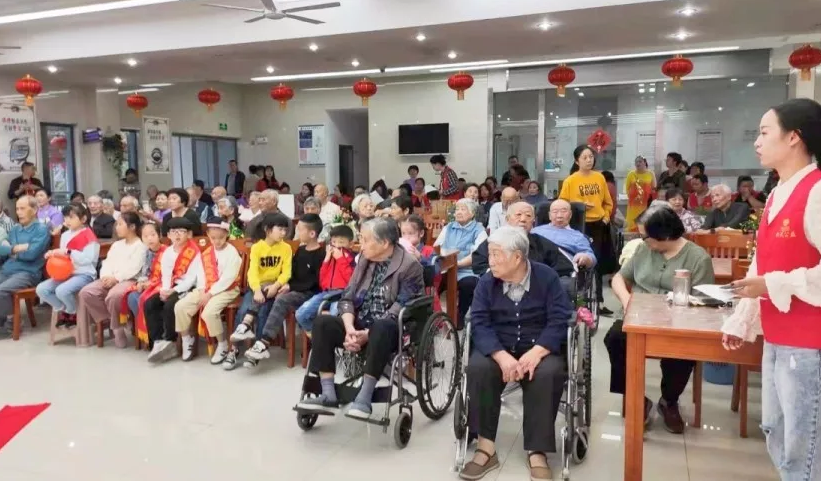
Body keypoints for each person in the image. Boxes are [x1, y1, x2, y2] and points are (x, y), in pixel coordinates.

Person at [720, 98, 821, 480]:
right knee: (776, 431)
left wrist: (773, 284)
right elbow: (763, 265)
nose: (757, 142)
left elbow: (772, 277)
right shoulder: (778, 193)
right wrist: (742, 318)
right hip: (777, 335)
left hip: (809, 341)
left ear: (794, 137)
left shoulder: (816, 191)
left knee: (803, 446)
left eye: (765, 132)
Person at [459, 226, 571, 481]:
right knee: (478, 368)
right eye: (490, 254)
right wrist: (501, 356)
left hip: (539, 345)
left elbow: (559, 319)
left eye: (496, 254)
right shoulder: (487, 281)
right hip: (499, 345)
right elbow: (479, 322)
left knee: (548, 373)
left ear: (518, 257)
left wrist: (537, 352)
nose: (490, 261)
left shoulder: (547, 277)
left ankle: (537, 451)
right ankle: (486, 448)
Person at [296, 217, 424, 418]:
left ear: (384, 243)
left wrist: (367, 334)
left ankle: (364, 397)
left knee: (382, 326)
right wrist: (349, 328)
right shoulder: (364, 259)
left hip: (392, 329)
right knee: (322, 322)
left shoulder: (409, 266)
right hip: (359, 323)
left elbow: (401, 307)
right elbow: (348, 296)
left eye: (365, 240)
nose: (360, 245)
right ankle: (328, 394)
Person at [604, 206, 714, 433]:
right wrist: (627, 300)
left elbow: (704, 300)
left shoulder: (698, 258)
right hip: (638, 317)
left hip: (677, 321)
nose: (643, 241)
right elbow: (619, 278)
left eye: (646, 236)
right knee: (614, 338)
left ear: (664, 234)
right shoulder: (643, 250)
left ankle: (669, 400)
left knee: (683, 350)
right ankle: (636, 396)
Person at [244, 214, 325, 364]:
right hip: (292, 290)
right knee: (267, 291)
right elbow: (290, 273)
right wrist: (280, 285)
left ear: (312, 234)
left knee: (281, 299)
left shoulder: (321, 254)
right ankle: (246, 325)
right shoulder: (301, 250)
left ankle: (264, 342)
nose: (297, 233)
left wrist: (290, 286)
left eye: (300, 230)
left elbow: (314, 281)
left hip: (309, 293)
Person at [226, 213, 292, 370]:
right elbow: (252, 272)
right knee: (243, 310)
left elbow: (286, 272)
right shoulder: (257, 248)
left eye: (285, 230)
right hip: (256, 288)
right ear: (268, 230)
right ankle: (233, 349)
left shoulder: (286, 248)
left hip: (274, 289)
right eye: (280, 229)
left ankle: (256, 352)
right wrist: (256, 290)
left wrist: (276, 286)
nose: (283, 233)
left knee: (263, 312)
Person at [173, 219, 242, 363]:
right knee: (180, 307)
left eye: (221, 237)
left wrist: (210, 294)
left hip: (227, 289)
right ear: (208, 235)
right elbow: (201, 275)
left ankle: (222, 344)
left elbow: (228, 278)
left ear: (227, 234)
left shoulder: (232, 253)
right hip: (206, 289)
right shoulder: (207, 253)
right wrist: (202, 291)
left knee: (209, 313)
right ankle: (187, 339)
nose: (217, 241)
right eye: (213, 238)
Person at [559, 144, 615, 314]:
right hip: (578, 225)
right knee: (580, 265)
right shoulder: (570, 181)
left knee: (596, 264)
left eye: (591, 157)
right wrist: (580, 205)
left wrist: (606, 217)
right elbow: (562, 204)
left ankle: (599, 302)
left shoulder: (599, 177)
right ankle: (580, 303)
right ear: (577, 161)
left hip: (598, 224)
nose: (589, 160)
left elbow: (608, 202)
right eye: (584, 157)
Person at [76, 212, 146, 348]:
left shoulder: (140, 246)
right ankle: (114, 323)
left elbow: (134, 268)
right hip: (110, 278)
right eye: (116, 224)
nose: (116, 228)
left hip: (129, 279)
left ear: (132, 227)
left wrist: (116, 278)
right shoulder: (116, 245)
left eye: (120, 224)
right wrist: (106, 276)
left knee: (114, 296)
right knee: (87, 292)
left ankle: (117, 328)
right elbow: (107, 263)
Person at [143, 217, 202, 363]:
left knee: (170, 305)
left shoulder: (194, 252)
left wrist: (173, 291)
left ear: (188, 234)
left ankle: (171, 341)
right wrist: (165, 290)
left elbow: (191, 279)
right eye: (174, 232)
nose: (177, 235)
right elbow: (166, 274)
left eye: (181, 231)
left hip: (188, 288)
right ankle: (157, 341)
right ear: (168, 235)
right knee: (150, 303)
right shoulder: (168, 252)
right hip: (171, 286)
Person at [37, 203, 100, 328]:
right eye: (65, 217)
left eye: (71, 217)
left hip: (84, 274)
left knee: (62, 290)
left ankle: (73, 312)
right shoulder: (65, 235)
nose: (67, 220)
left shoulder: (89, 235)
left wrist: (69, 252)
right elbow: (63, 256)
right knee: (41, 289)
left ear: (83, 219)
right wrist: (52, 254)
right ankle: (65, 310)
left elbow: (88, 259)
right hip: (66, 273)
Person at [0, 196, 50, 338]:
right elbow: (1, 249)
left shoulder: (41, 229)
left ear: (34, 210)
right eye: (17, 209)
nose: (19, 212)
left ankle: (12, 322)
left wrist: (11, 251)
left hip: (28, 272)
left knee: (2, 290)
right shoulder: (15, 229)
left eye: (22, 208)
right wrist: (16, 249)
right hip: (8, 269)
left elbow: (31, 254)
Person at [434, 198, 488, 326]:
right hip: (446, 267)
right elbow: (437, 247)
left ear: (472, 213)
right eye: (457, 209)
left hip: (467, 270)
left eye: (463, 209)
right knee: (432, 279)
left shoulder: (479, 230)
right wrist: (446, 262)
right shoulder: (449, 227)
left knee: (469, 284)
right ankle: (434, 314)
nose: (458, 212)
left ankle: (459, 315)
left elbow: (477, 256)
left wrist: (456, 264)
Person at [295, 225, 356, 332]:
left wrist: (341, 259)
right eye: (334, 242)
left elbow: (351, 280)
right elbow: (322, 279)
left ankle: (331, 338)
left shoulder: (352, 258)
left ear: (350, 244)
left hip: (343, 294)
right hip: (327, 293)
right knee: (301, 314)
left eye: (341, 242)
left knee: (333, 319)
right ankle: (319, 335)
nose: (337, 245)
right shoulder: (329, 256)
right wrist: (326, 260)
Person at [124, 222, 165, 334]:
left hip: (160, 286)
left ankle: (155, 331)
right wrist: (141, 283)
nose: (149, 239)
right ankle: (146, 329)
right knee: (132, 296)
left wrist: (151, 284)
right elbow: (144, 273)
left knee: (146, 300)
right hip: (148, 285)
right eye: (145, 236)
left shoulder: (167, 252)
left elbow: (169, 276)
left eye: (152, 235)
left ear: (159, 235)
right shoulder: (145, 252)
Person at [531, 199, 597, 268]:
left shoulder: (578, 236)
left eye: (563, 211)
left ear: (570, 214)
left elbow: (591, 257)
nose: (559, 215)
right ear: (549, 215)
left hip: (562, 269)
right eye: (555, 212)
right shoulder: (535, 231)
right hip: (535, 267)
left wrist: (585, 258)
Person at [625, 156, 655, 232]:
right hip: (633, 206)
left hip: (645, 204)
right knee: (632, 226)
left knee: (644, 226)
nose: (638, 163)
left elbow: (654, 188)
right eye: (636, 162)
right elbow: (627, 189)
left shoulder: (650, 174)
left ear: (645, 162)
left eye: (640, 161)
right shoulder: (631, 174)